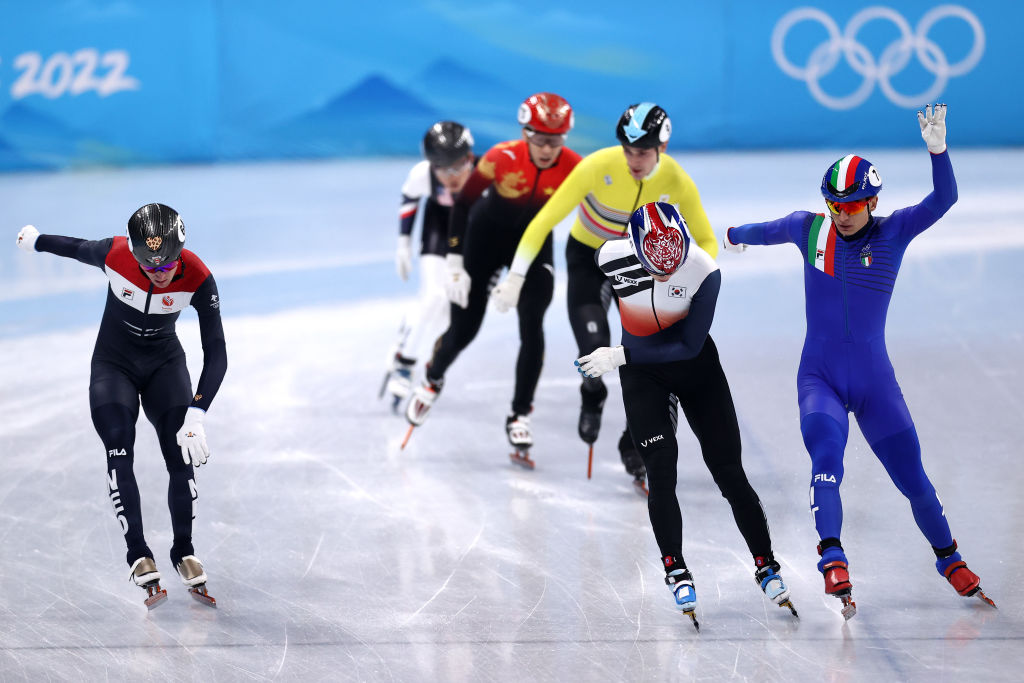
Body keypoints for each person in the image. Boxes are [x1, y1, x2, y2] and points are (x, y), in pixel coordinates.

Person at [723, 104, 994, 618]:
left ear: (872, 201)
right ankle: (833, 557)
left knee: (914, 480)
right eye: (834, 205)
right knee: (826, 461)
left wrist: (938, 151)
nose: (840, 214)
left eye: (850, 205)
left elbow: (946, 198)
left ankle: (950, 559)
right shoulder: (810, 231)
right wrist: (731, 236)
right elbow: (765, 229)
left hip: (875, 384)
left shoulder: (894, 232)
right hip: (819, 377)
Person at [575, 202, 795, 627]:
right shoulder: (610, 256)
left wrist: (619, 354)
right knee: (660, 471)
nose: (665, 275)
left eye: (671, 268)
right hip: (643, 378)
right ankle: (675, 567)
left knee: (729, 472)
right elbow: (583, 288)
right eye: (655, 269)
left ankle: (765, 562)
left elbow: (689, 345)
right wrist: (591, 332)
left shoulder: (703, 269)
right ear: (636, 250)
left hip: (694, 369)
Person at [490, 103, 717, 487]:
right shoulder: (596, 167)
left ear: (661, 148)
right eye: (628, 151)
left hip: (644, 268)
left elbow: (707, 239)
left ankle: (635, 446)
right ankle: (592, 394)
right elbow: (544, 220)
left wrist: (694, 278)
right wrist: (515, 276)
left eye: (642, 152)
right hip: (588, 260)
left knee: (646, 362)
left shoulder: (677, 180)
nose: (633, 160)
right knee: (595, 347)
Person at [15, 203, 226, 609]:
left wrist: (197, 412)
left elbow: (216, 352)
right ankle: (138, 554)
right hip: (114, 366)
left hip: (165, 366)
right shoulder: (115, 254)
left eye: (167, 266)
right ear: (134, 254)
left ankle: (183, 549)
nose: (160, 274)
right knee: (118, 447)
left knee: (179, 455)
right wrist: (36, 241)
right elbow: (75, 247)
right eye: (150, 268)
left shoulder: (199, 277)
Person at [404, 93, 582, 461]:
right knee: (464, 329)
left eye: (556, 141)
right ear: (525, 133)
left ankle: (519, 413)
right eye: (540, 140)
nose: (548, 149)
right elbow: (464, 204)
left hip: (533, 245)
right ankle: (433, 378)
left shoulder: (575, 167)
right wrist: (454, 263)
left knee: (532, 325)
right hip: (483, 239)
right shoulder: (501, 157)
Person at [382, 121, 475, 408]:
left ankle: (408, 329)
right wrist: (403, 245)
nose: (452, 177)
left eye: (458, 167)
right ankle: (405, 362)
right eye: (442, 170)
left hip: (470, 234)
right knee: (434, 297)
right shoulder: (421, 175)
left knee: (447, 314)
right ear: (431, 167)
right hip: (438, 230)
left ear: (470, 158)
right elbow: (409, 200)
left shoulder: (487, 173)